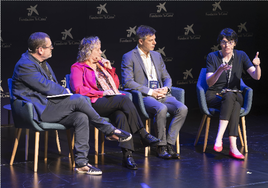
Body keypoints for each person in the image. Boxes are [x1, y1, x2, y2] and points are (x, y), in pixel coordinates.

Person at [11, 32, 132, 175]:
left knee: (81, 117)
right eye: (50, 47)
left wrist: (63, 92)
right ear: (40, 50)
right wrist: (66, 91)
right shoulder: (25, 65)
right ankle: (109, 130)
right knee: (79, 98)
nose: (52, 49)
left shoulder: (42, 63)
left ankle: (81, 163)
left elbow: (50, 86)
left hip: (49, 105)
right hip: (38, 111)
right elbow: (46, 87)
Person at [70, 36, 160, 170]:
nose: (101, 52)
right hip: (92, 104)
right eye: (98, 50)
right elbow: (78, 89)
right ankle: (142, 134)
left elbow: (115, 87)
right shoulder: (78, 67)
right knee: (124, 99)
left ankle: (127, 156)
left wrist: (110, 69)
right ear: (88, 51)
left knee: (121, 115)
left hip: (108, 102)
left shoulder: (101, 66)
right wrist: (101, 93)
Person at [121, 25, 188, 159]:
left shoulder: (157, 56)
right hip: (145, 97)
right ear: (141, 41)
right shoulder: (129, 57)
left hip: (162, 94)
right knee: (161, 109)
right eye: (151, 40)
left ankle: (169, 143)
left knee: (183, 109)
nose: (155, 43)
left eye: (154, 39)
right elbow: (127, 82)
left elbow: (167, 77)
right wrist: (151, 92)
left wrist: (166, 88)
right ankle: (160, 146)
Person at [206, 28, 261, 159]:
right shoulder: (212, 57)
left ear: (235, 43)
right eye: (224, 42)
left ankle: (219, 137)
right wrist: (219, 70)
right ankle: (233, 147)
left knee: (231, 96)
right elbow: (209, 83)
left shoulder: (241, 55)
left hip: (234, 93)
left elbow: (256, 76)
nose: (227, 45)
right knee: (234, 103)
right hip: (215, 95)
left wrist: (257, 66)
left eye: (230, 42)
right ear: (220, 43)